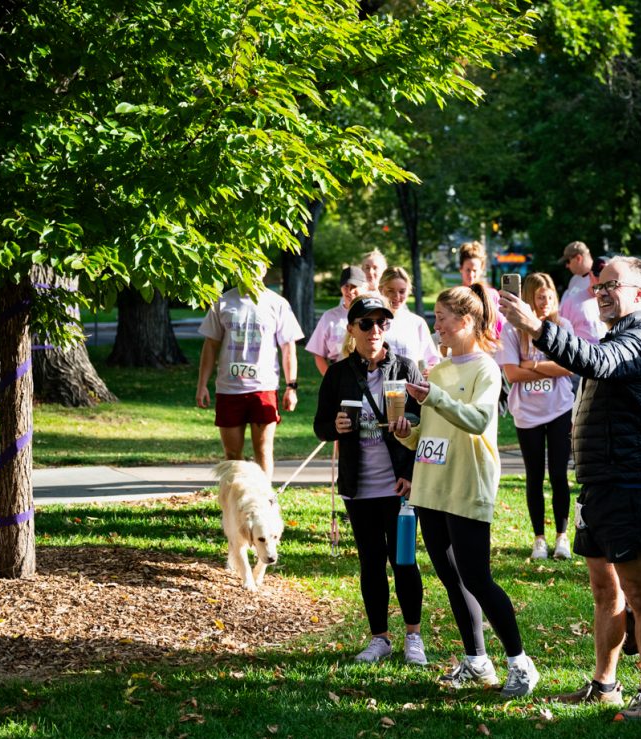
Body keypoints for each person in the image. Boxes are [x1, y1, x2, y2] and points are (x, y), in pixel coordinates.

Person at [499, 255, 641, 721]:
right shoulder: (615, 338)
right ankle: (604, 685)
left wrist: (537, 327)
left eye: (614, 284)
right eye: (600, 286)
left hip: (629, 483)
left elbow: (592, 360)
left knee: (637, 591)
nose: (604, 291)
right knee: (603, 590)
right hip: (596, 485)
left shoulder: (640, 342)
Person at [394, 284, 540, 698]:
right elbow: (432, 431)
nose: (435, 325)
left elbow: (476, 421)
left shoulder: (485, 369)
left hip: (466, 484)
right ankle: (476, 660)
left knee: (477, 576)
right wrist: (407, 433)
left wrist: (434, 397)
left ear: (466, 321)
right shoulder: (437, 370)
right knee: (451, 577)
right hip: (431, 485)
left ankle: (520, 663)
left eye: (441, 318)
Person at [313, 296, 428, 666]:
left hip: (399, 486)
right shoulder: (338, 374)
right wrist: (336, 426)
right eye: (366, 323)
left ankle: (413, 636)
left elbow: (427, 427)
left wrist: (411, 474)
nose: (374, 330)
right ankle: (379, 637)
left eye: (382, 323)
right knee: (371, 563)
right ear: (351, 329)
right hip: (359, 487)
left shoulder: (406, 368)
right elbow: (320, 426)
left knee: (405, 561)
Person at [196, 269, 304, 476]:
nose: (251, 271)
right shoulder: (223, 301)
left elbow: (288, 348)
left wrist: (291, 386)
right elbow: (210, 345)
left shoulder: (277, 303)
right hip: (229, 389)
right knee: (232, 454)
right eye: (245, 266)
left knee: (263, 451)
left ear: (264, 269)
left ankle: (263, 500)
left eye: (256, 266)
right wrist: (202, 385)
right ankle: (236, 501)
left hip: (263, 388)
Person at [499, 273, 576, 561]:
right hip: (527, 414)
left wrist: (530, 363)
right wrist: (547, 366)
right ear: (528, 298)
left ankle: (562, 536)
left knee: (558, 474)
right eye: (540, 296)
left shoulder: (562, 326)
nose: (546, 302)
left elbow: (568, 366)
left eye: (550, 296)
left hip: (559, 409)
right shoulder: (511, 330)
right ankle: (539, 539)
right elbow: (511, 373)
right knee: (534, 476)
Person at [306, 266, 369, 376]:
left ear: (365, 287)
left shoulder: (373, 313)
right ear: (341, 288)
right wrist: (330, 380)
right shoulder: (329, 317)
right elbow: (318, 354)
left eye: (355, 286)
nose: (350, 291)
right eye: (346, 286)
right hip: (340, 374)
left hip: (370, 376)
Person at [378, 266, 441, 371]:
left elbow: (433, 361)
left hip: (410, 385)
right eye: (391, 291)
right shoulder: (373, 322)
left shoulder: (417, 323)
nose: (397, 296)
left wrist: (429, 371)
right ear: (381, 290)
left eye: (402, 291)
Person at [557, 241, 606, 345]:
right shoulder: (574, 279)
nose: (567, 266)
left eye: (568, 261)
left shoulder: (602, 279)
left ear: (578, 258)